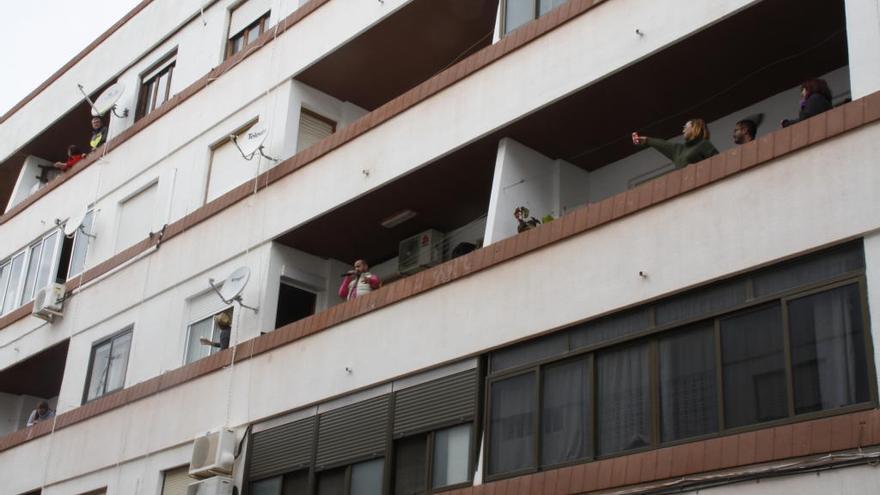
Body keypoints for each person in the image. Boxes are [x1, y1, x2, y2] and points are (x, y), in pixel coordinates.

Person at [631, 118, 718, 169]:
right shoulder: (679, 150)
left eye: (685, 127)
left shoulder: (704, 144)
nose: (683, 130)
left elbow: (717, 162)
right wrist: (647, 140)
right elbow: (663, 144)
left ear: (694, 128)